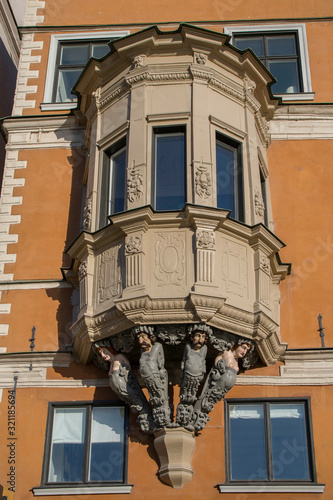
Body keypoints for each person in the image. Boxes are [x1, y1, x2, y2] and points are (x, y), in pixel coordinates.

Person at [191, 340, 253, 431]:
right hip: (215, 386)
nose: (244, 352)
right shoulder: (226, 353)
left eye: (247, 350)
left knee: (209, 402)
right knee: (205, 401)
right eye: (243, 348)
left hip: (220, 391)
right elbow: (218, 362)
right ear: (236, 345)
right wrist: (220, 367)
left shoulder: (236, 361)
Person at [97, 345, 155, 433]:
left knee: (134, 398)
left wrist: (125, 372)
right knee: (130, 400)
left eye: (104, 351)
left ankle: (145, 413)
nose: (102, 355)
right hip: (119, 389)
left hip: (125, 386)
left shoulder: (119, 357)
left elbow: (127, 367)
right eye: (101, 353)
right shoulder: (111, 363)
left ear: (110, 350)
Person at [136, 329, 171, 428]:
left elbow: (161, 362)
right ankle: (160, 413)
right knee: (153, 397)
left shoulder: (157, 346)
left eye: (143, 337)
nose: (140, 341)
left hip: (155, 377)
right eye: (138, 338)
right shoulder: (142, 351)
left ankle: (164, 415)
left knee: (160, 396)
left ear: (150, 337)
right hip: (146, 378)